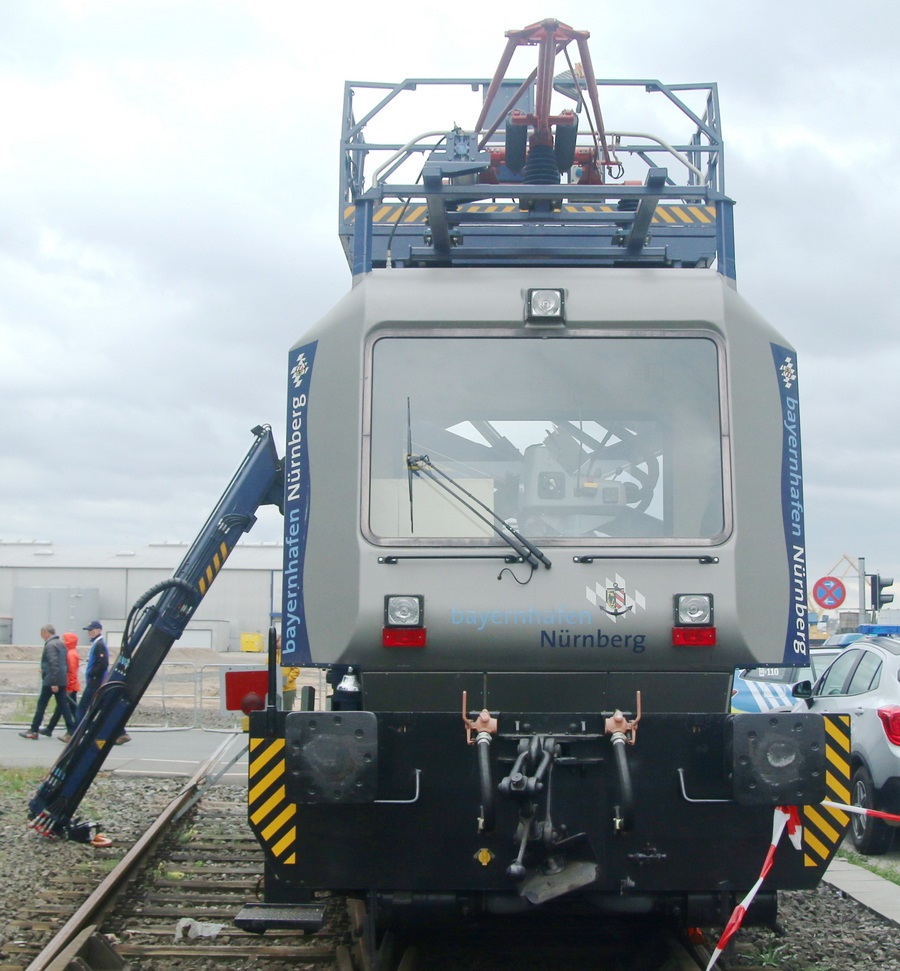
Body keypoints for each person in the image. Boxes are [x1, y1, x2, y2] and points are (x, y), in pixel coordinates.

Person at [19, 624, 76, 739]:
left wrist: (53, 681)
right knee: (63, 706)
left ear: (46, 632)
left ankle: (34, 730)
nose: (41, 636)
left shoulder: (50, 645)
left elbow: (53, 663)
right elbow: (64, 663)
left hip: (51, 681)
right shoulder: (61, 644)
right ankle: (71, 731)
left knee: (42, 704)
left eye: (42, 633)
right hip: (61, 679)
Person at [42, 631, 80, 739]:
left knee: (70, 708)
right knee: (61, 707)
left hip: (70, 686)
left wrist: (69, 686)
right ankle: (50, 728)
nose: (62, 641)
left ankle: (77, 729)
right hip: (70, 685)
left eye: (64, 639)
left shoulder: (70, 654)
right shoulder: (70, 652)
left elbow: (71, 672)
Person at [277, 635, 300, 712]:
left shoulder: (290, 654)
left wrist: (286, 680)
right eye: (279, 640)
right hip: (275, 689)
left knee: (286, 710)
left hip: (288, 689)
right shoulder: (271, 656)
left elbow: (296, 670)